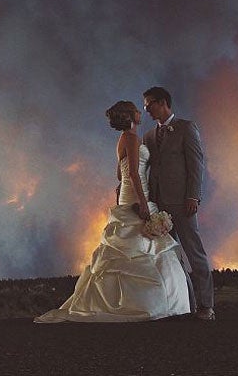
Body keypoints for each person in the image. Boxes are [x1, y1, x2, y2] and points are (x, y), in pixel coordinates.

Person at [34, 101, 191, 323]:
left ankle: (142, 302)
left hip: (128, 193)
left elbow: (120, 174)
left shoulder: (123, 140)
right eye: (137, 110)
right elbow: (134, 174)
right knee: (140, 246)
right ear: (130, 116)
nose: (140, 113)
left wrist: (129, 184)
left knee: (133, 247)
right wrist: (144, 202)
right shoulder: (132, 138)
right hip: (137, 194)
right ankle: (147, 304)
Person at [142, 86, 215, 321]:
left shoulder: (186, 128)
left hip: (182, 204)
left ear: (163, 102)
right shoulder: (149, 136)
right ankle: (188, 305)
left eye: (149, 104)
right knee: (172, 258)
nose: (146, 109)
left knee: (194, 253)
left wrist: (193, 196)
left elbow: (196, 164)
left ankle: (207, 306)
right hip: (159, 205)